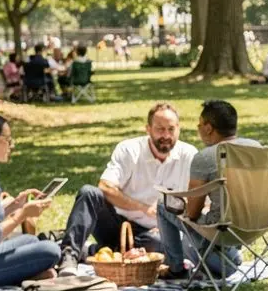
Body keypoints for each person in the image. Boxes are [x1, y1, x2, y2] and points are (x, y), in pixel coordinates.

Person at [58, 102, 196, 273]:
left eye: (171, 129)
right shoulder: (129, 150)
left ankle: (94, 252)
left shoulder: (189, 155)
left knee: (166, 248)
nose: (166, 135)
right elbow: (105, 186)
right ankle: (69, 257)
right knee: (89, 193)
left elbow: (200, 200)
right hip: (115, 222)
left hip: (153, 233)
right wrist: (144, 208)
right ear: (148, 129)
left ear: (179, 129)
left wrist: (167, 221)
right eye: (160, 129)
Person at [156, 99, 258, 281]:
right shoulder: (255, 148)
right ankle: (229, 257)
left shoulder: (205, 158)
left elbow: (193, 214)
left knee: (163, 205)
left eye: (200, 124)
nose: (198, 127)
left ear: (209, 128)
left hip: (221, 231)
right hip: (255, 225)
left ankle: (176, 269)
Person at [0, 112, 60, 287]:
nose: (11, 145)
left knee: (31, 241)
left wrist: (15, 205)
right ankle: (23, 276)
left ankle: (27, 274)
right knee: (51, 250)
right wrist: (21, 215)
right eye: (7, 139)